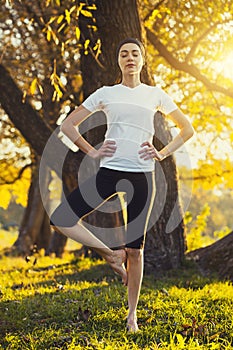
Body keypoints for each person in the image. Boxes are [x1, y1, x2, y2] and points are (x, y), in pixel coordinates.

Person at [50, 38, 194, 332]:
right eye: (124, 53)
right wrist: (92, 151)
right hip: (109, 171)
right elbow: (68, 125)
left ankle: (132, 316)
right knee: (61, 219)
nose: (129, 58)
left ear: (142, 60)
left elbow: (187, 129)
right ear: (118, 61)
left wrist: (162, 153)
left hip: (143, 174)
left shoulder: (156, 94)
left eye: (135, 54)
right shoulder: (106, 93)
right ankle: (109, 253)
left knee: (136, 250)